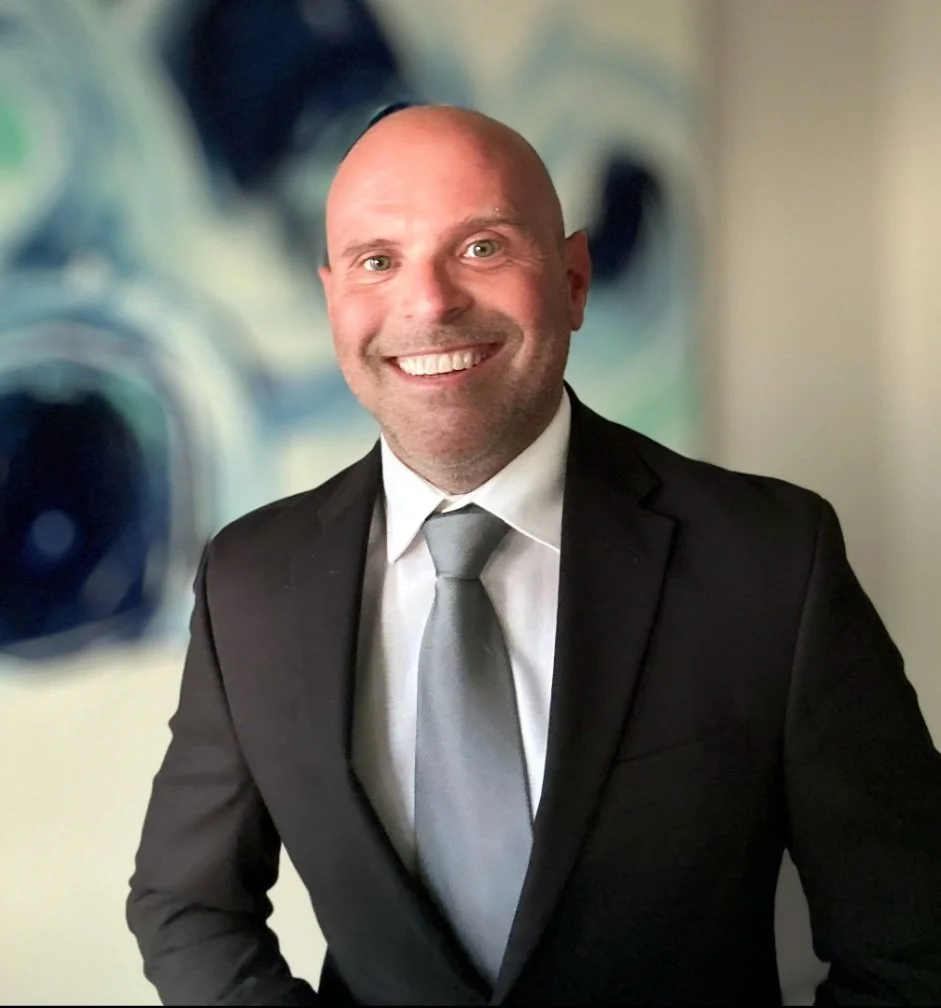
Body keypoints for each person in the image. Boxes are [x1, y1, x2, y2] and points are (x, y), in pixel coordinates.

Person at [127, 105, 941, 1006]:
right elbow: (185, 900)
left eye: (481, 247)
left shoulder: (772, 560)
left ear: (574, 278)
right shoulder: (250, 580)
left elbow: (912, 944)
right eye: (378, 261)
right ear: (334, 301)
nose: (429, 302)